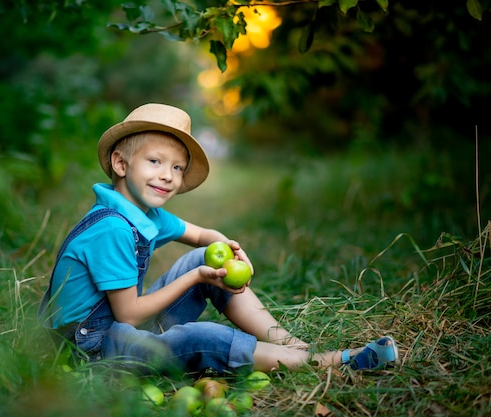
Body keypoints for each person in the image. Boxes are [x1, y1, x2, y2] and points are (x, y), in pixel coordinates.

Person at [38, 103, 398, 376]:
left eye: (177, 168)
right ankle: (323, 363)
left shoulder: (144, 213)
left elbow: (202, 236)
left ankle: (289, 344)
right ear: (120, 164)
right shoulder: (113, 228)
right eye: (154, 162)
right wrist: (195, 278)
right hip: (89, 351)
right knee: (200, 336)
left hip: (115, 330)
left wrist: (232, 250)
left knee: (202, 258)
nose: (167, 176)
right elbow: (129, 315)